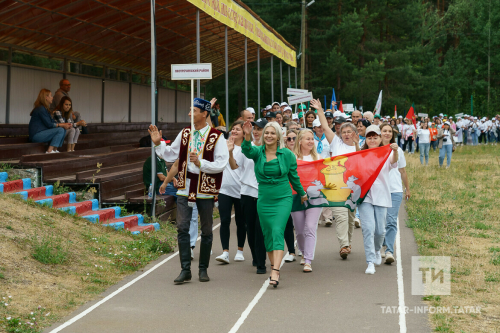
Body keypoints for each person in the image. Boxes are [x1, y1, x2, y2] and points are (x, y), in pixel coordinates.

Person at [149, 97, 229, 284]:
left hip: (205, 189)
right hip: (185, 187)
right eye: (190, 110)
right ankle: (185, 269)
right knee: (182, 227)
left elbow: (221, 163)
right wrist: (157, 143)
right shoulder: (185, 133)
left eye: (193, 110)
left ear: (204, 113)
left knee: (207, 229)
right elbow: (170, 154)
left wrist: (201, 163)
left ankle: (203, 269)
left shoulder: (216, 136)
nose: (189, 114)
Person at [241, 121, 307, 288]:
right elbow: (246, 150)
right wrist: (248, 135)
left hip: (283, 197)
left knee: (277, 230)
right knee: (268, 234)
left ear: (278, 136)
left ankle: (275, 271)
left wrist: (302, 193)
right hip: (264, 198)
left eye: (272, 133)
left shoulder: (287, 154)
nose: (269, 136)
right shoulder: (258, 152)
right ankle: (274, 267)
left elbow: (294, 177)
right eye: (267, 133)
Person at [311, 99, 359, 258]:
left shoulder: (360, 145)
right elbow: (325, 127)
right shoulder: (336, 143)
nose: (346, 134)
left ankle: (348, 242)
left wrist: (358, 145)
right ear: (340, 133)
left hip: (354, 187)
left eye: (349, 132)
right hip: (336, 187)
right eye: (344, 132)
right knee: (340, 215)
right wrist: (319, 110)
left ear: (355, 134)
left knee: (351, 217)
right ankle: (344, 245)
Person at [359, 125, 399, 274]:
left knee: (380, 230)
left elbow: (394, 162)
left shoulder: (387, 153)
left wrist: (395, 150)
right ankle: (370, 261)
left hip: (382, 195)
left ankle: (377, 250)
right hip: (365, 196)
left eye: (375, 137)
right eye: (369, 137)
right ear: (366, 139)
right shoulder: (361, 154)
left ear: (380, 138)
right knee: (368, 228)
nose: (372, 139)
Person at [235, 118, 269, 274]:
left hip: (263, 193)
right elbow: (236, 166)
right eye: (254, 128)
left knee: (260, 227)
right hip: (247, 192)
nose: (256, 131)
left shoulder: (271, 149)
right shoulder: (246, 147)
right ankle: (255, 257)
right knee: (250, 227)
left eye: (259, 129)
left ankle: (261, 262)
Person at [214, 121, 247, 264]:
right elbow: (211, 129)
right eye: (233, 129)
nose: (234, 131)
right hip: (224, 189)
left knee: (241, 222)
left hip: (241, 190)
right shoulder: (223, 144)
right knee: (225, 220)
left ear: (244, 133)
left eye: (238, 129)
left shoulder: (246, 148)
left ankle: (240, 250)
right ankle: (225, 252)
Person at [290, 129, 322, 272]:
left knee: (310, 227)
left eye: (312, 139)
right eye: (307, 139)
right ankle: (303, 252)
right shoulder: (292, 157)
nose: (310, 141)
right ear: (300, 141)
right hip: (296, 196)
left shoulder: (318, 157)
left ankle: (308, 260)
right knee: (300, 231)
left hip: (315, 197)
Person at [379, 124, 410, 264]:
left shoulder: (399, 151)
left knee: (391, 221)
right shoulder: (375, 150)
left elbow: (402, 171)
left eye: (389, 131)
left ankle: (389, 250)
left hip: (395, 190)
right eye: (384, 131)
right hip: (379, 190)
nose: (387, 133)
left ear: (392, 134)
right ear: (380, 133)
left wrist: (407, 188)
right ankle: (381, 244)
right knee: (380, 222)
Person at [29, 89, 69, 153]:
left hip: (42, 133)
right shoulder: (41, 108)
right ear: (46, 97)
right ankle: (49, 151)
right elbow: (49, 124)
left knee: (62, 129)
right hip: (36, 135)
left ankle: (55, 150)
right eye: (51, 95)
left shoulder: (45, 108)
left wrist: (64, 125)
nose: (52, 97)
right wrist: (62, 124)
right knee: (60, 129)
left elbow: (52, 122)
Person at [283, 129, 300, 263]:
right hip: (285, 193)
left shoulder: (303, 154)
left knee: (301, 225)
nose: (292, 141)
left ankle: (304, 248)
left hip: (300, 193)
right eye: (289, 138)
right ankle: (291, 251)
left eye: (294, 138)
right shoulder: (282, 153)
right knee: (287, 223)